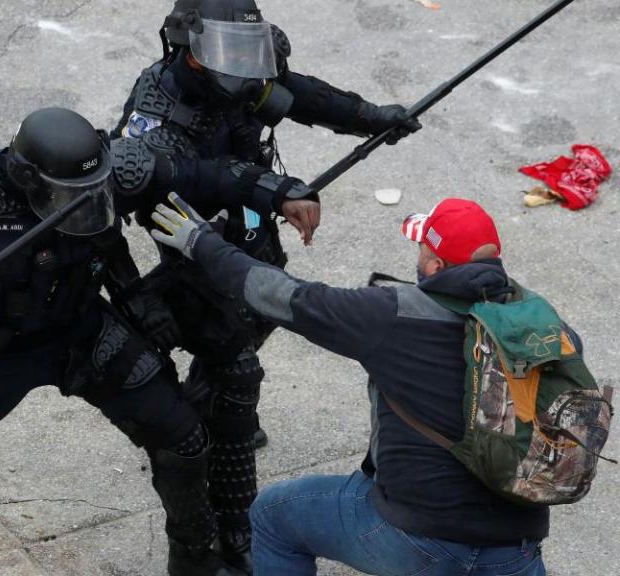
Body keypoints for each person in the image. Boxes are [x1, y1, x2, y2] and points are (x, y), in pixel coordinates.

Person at [0, 107, 311, 576]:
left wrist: (280, 192)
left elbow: (204, 175)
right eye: (70, 195)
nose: (88, 204)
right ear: (26, 177)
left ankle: (196, 561)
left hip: (83, 332)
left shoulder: (112, 172)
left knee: (182, 437)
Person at [112, 0, 422, 570]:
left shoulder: (242, 72)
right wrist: (275, 189)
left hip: (251, 231)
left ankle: (206, 401)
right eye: (227, 57)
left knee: (256, 321)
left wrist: (372, 116)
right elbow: (195, 177)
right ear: (188, 48)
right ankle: (236, 534)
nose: (245, 74)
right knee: (237, 376)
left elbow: (301, 94)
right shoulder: (155, 110)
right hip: (194, 243)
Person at [149, 194, 556, 576]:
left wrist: (201, 243)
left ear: (434, 267)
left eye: (421, 249)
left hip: (421, 537)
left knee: (272, 516)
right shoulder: (541, 322)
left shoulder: (392, 315)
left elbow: (280, 294)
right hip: (518, 545)